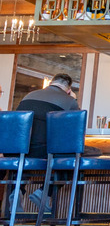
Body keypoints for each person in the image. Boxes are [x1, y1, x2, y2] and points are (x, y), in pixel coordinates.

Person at [13, 73, 79, 211]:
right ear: (68, 89)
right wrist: (73, 99)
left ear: (51, 83)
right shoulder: (69, 100)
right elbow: (75, 129)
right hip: (46, 151)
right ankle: (44, 192)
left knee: (24, 160)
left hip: (19, 151)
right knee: (73, 160)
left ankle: (18, 190)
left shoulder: (28, 96)